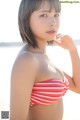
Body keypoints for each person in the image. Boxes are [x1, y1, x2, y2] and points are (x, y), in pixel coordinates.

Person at [10, 0, 80, 120]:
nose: (53, 22)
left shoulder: (44, 56)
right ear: (26, 19)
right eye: (43, 15)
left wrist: (73, 50)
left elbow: (78, 87)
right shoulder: (26, 59)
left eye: (56, 15)